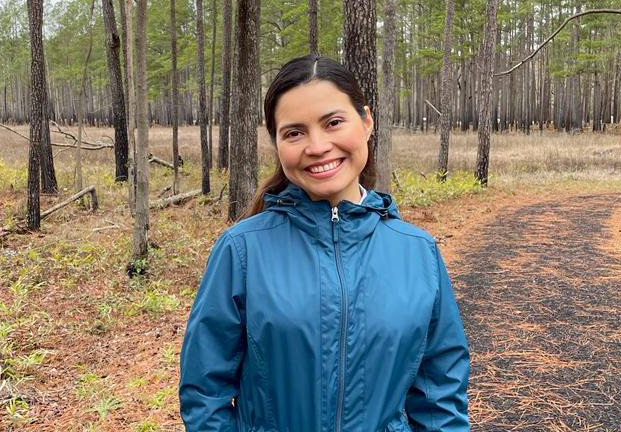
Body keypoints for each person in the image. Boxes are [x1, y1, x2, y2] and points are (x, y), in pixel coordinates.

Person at [179, 54, 470, 432]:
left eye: (333, 123)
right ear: (277, 143)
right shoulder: (242, 251)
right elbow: (206, 392)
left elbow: (440, 396)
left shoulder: (418, 252)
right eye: (294, 132)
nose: (317, 146)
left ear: (366, 121)